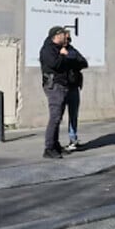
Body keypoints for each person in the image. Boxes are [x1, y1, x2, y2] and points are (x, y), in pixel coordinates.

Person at [39, 26, 85, 159]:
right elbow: (56, 64)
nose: (65, 38)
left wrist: (67, 57)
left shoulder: (59, 48)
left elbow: (79, 62)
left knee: (58, 118)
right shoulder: (48, 49)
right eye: (63, 35)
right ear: (56, 36)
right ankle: (49, 148)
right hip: (54, 86)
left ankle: (56, 145)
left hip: (62, 86)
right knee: (55, 117)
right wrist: (64, 55)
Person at [63, 31, 89, 151]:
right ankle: (53, 142)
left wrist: (69, 57)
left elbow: (84, 62)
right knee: (57, 116)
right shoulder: (54, 50)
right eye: (66, 38)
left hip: (73, 86)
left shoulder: (72, 50)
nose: (67, 41)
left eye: (69, 39)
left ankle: (73, 139)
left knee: (73, 115)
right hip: (61, 87)